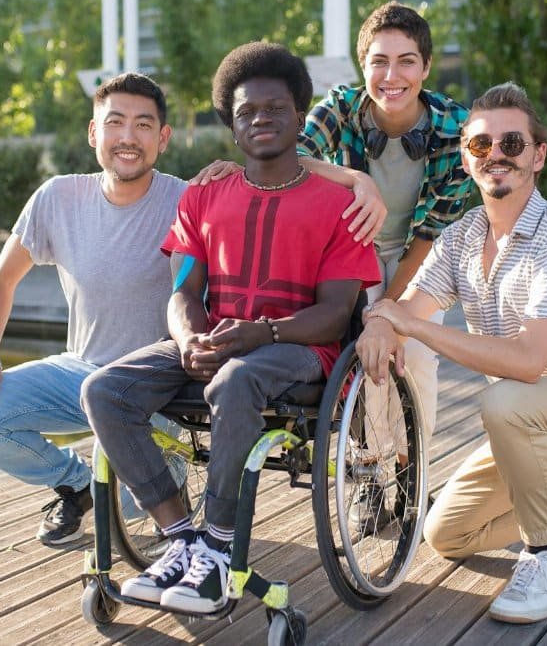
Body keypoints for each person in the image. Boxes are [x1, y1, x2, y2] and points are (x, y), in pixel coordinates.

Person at [82, 42, 382, 615]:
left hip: (299, 350)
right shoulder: (202, 197)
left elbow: (335, 316)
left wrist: (262, 334)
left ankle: (218, 548)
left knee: (237, 379)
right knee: (103, 390)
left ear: (300, 115)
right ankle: (181, 537)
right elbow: (184, 292)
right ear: (231, 124)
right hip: (218, 341)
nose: (261, 119)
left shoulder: (340, 205)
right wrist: (190, 336)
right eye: (246, 112)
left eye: (275, 109)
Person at [356, 82, 547, 624]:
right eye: (480, 146)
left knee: (505, 402)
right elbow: (409, 307)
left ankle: (545, 558)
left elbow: (526, 363)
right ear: (468, 160)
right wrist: (383, 323)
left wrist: (411, 327)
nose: (496, 155)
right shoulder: (460, 239)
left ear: (538, 155)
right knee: (447, 533)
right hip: (528, 420)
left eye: (512, 144)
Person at [0, 73, 184, 548]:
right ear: (94, 133)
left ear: (163, 137)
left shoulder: (187, 200)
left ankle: (126, 488)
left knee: (133, 503)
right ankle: (74, 483)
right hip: (81, 372)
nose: (128, 138)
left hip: (159, 390)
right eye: (115, 123)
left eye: (142, 124)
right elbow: (1, 280)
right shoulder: (58, 197)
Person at [298, 0, 472, 533]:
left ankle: (409, 467)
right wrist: (356, 179)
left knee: (415, 359)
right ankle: (372, 475)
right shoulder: (338, 109)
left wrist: (390, 311)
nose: (391, 76)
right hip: (352, 254)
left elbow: (429, 235)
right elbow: (291, 156)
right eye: (378, 61)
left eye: (406, 62)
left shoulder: (454, 129)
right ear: (362, 64)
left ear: (424, 68)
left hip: (423, 255)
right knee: (367, 366)